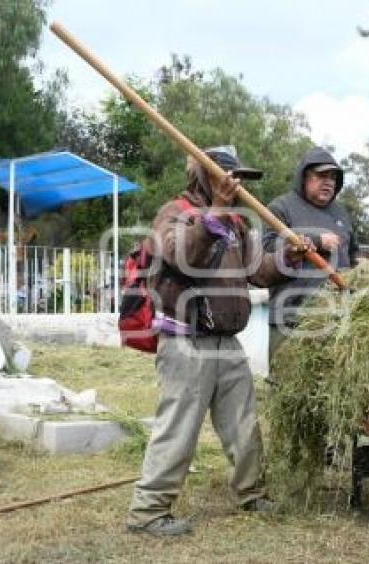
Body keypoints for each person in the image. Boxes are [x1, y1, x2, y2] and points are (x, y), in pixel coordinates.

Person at [126, 146, 312, 537]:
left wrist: (290, 259)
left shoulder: (238, 225)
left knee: (244, 425)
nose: (236, 184)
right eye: (227, 177)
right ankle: (147, 513)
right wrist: (217, 213)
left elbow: (257, 272)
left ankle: (252, 493)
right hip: (185, 339)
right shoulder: (174, 213)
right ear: (204, 176)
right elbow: (182, 256)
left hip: (227, 343)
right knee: (178, 427)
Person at [263, 146, 358, 366]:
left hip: (334, 321)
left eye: (333, 177)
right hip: (291, 319)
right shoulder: (281, 207)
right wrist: (315, 241)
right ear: (304, 177)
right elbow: (268, 247)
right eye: (321, 175)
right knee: (285, 389)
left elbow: (354, 256)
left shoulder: (341, 213)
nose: (328, 182)